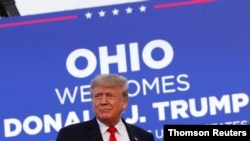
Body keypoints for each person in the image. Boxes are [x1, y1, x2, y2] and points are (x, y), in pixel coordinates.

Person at [56, 73, 155, 141]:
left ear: (124, 102)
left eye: (110, 96)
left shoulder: (144, 137)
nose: (103, 102)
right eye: (98, 96)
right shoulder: (71, 135)